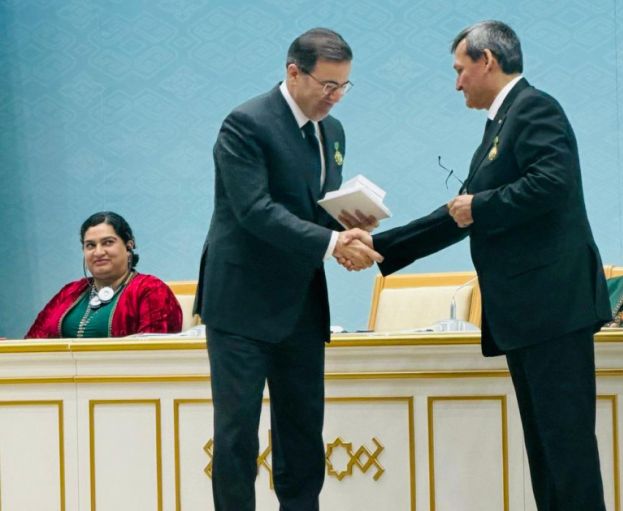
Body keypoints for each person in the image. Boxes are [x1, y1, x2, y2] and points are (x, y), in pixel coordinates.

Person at [346, 20, 612, 511]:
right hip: (528, 314)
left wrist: (481, 206)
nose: (457, 83)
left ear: (486, 61)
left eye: (459, 69)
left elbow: (552, 183)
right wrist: (381, 246)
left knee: (567, 452)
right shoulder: (501, 122)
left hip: (553, 308)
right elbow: (458, 214)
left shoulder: (536, 108)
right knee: (546, 454)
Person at [194, 28, 381, 511]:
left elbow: (311, 210)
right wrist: (332, 242)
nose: (335, 97)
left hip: (300, 302)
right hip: (242, 303)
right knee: (237, 435)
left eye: (344, 86)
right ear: (293, 72)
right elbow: (254, 211)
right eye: (327, 85)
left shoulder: (332, 132)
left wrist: (348, 225)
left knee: (303, 430)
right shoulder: (246, 124)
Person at [25, 211, 182, 338]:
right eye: (90, 245)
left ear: (129, 246)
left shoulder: (150, 289)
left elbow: (155, 354)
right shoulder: (70, 292)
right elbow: (32, 343)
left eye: (108, 242)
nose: (98, 252)